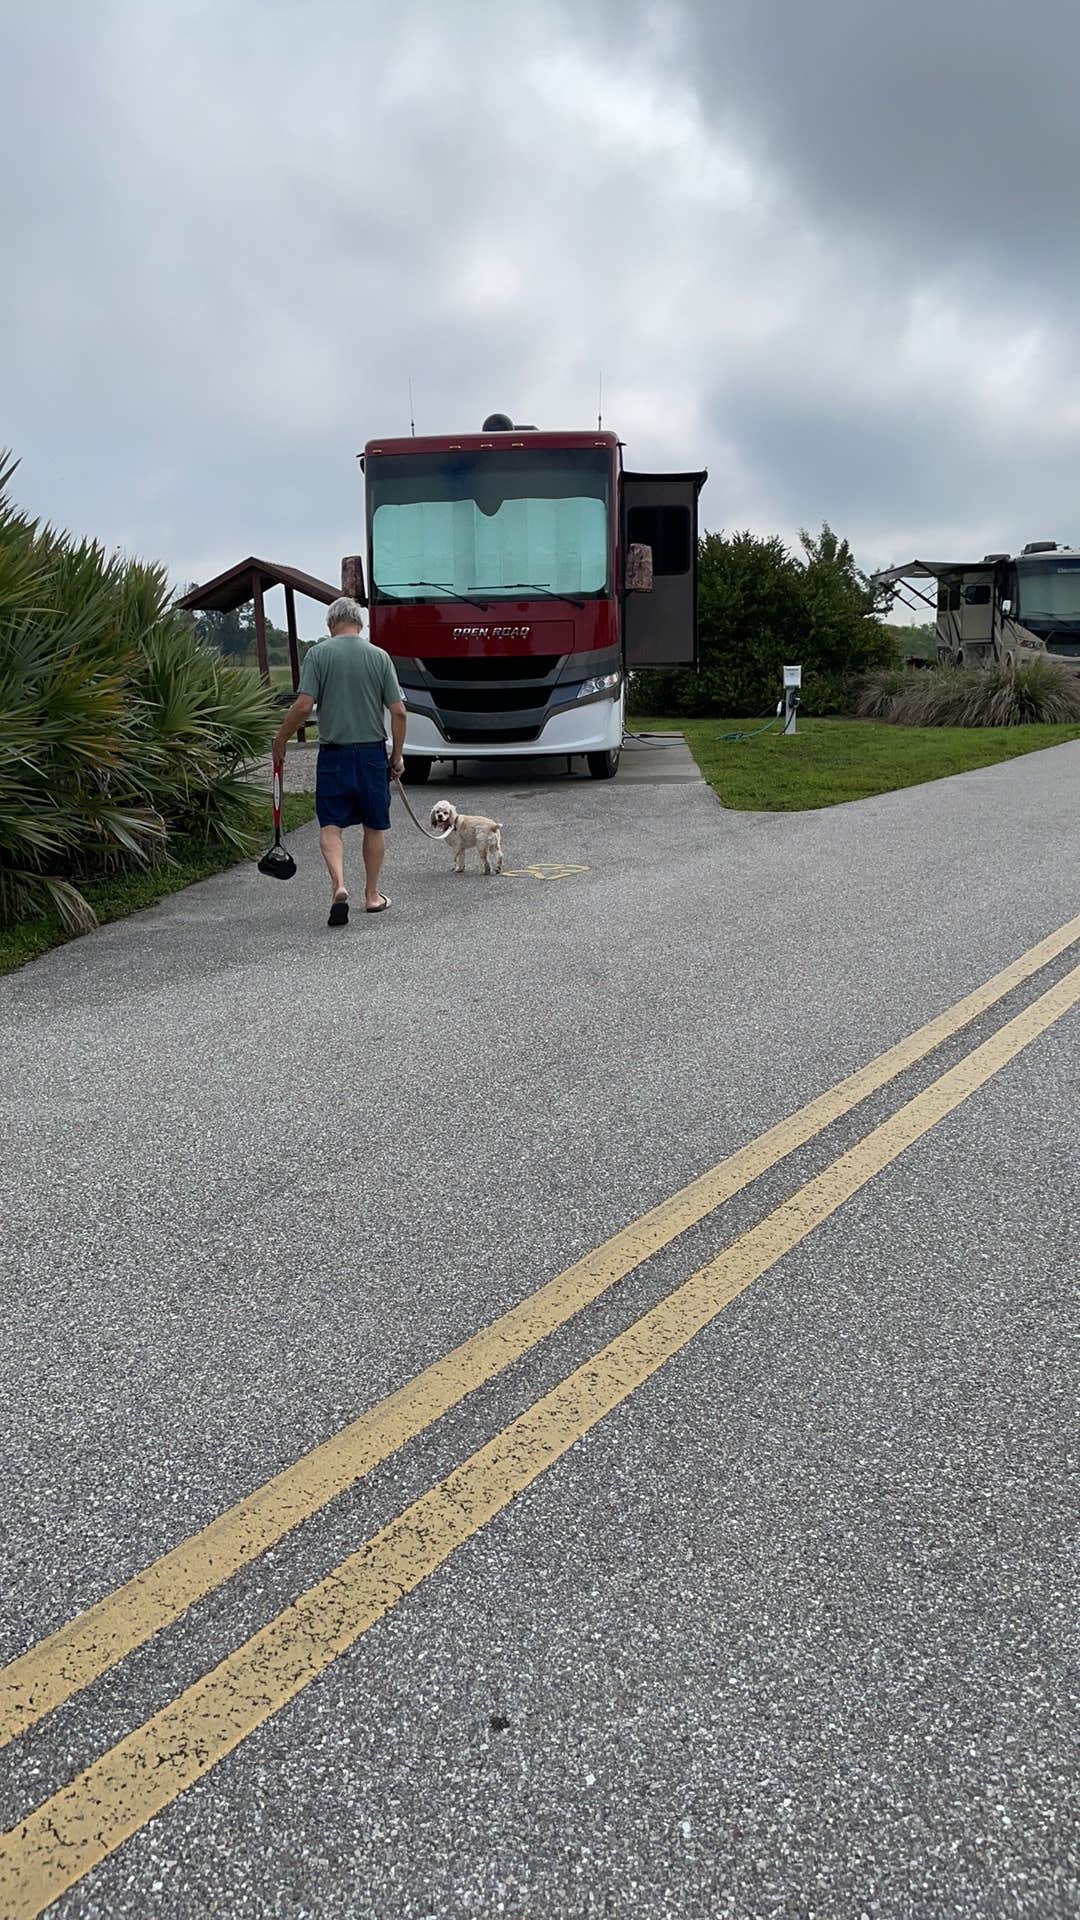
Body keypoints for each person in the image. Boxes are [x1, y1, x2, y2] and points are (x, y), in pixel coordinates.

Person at [271, 597, 407, 924]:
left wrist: (281, 739)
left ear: (331, 624)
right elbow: (399, 711)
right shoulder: (379, 657)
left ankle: (339, 885)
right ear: (359, 623)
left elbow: (304, 706)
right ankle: (372, 896)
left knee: (331, 823)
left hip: (334, 754)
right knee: (374, 825)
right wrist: (397, 756)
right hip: (372, 754)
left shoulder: (319, 654)